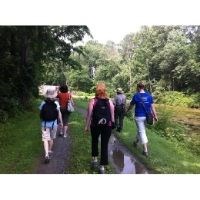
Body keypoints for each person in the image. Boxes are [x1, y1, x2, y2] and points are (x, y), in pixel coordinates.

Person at [85, 82, 115, 174]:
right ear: (105, 90)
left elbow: (89, 115)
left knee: (94, 141)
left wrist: (86, 126)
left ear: (97, 90)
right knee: (104, 145)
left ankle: (94, 160)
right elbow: (112, 115)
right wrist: (112, 124)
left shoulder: (93, 101)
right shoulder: (109, 101)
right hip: (107, 126)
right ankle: (102, 167)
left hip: (95, 126)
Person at [126, 82, 158, 157]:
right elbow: (152, 107)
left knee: (142, 132)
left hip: (139, 117)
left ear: (138, 87)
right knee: (141, 130)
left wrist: (127, 111)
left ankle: (145, 151)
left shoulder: (136, 96)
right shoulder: (149, 96)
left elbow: (131, 106)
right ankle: (136, 142)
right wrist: (155, 116)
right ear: (144, 87)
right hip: (147, 117)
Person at [39, 89, 63, 163]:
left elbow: (41, 113)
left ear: (47, 95)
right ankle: (49, 150)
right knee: (51, 138)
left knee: (45, 139)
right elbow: (59, 113)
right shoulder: (56, 103)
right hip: (54, 124)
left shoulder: (43, 103)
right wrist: (61, 122)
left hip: (45, 124)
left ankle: (46, 154)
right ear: (54, 95)